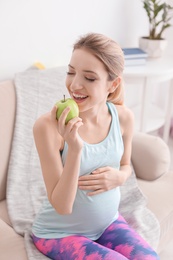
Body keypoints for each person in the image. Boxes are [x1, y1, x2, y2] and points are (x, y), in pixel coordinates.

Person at [31, 33, 159, 260]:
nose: (75, 84)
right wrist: (75, 149)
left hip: (109, 223)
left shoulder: (123, 117)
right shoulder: (48, 126)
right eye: (71, 72)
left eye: (89, 78)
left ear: (113, 84)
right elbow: (62, 206)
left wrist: (119, 177)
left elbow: (125, 165)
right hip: (58, 233)